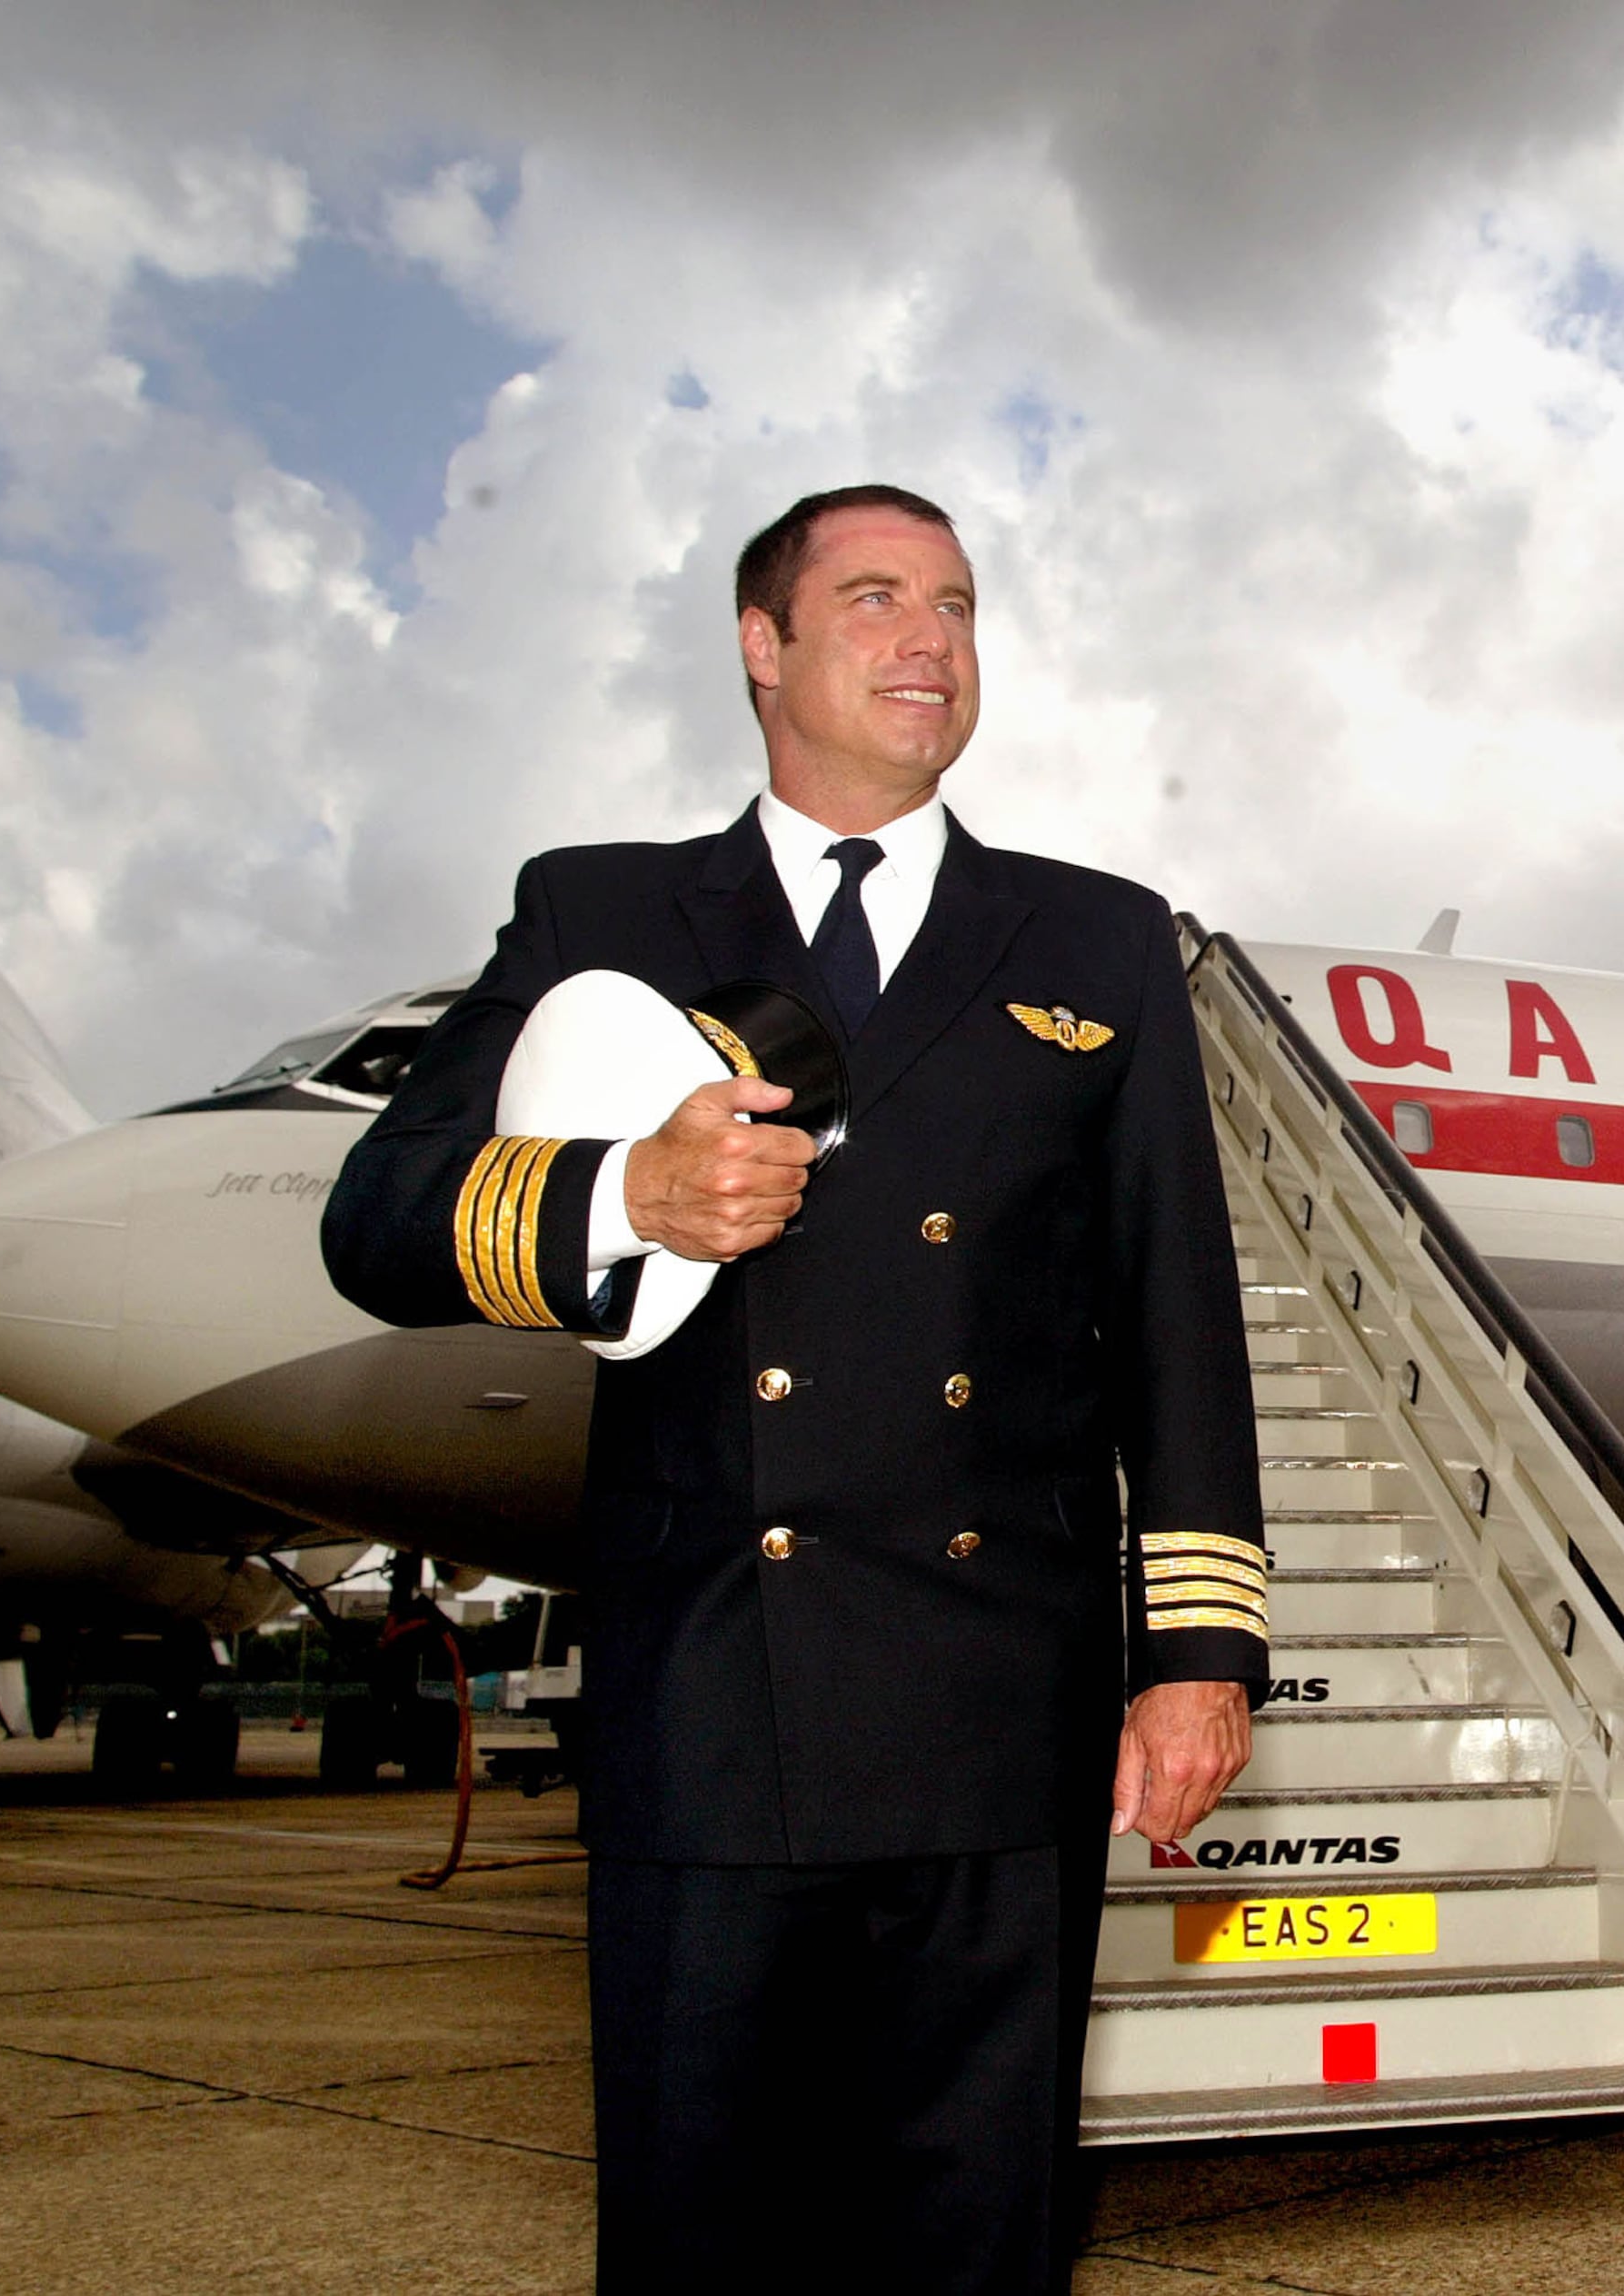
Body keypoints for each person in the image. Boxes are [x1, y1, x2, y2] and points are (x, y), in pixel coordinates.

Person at [322, 484, 1266, 2291]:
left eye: (961, 606)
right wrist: (626, 1194)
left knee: (973, 2246)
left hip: (1000, 1707)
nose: (933, 639)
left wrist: (1199, 1660)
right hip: (713, 1706)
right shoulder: (607, 914)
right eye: (878, 598)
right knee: (705, 2238)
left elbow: (1178, 1317)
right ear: (763, 649)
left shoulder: (1097, 941)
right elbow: (374, 1219)